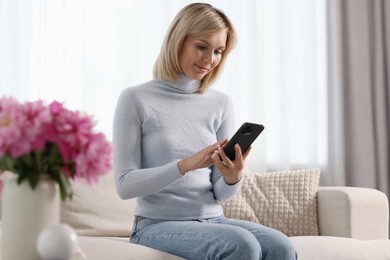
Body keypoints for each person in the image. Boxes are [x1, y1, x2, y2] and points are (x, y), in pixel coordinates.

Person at [113, 3, 297, 260]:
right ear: (178, 40)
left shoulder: (220, 103)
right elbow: (124, 185)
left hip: (213, 219)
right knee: (242, 244)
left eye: (218, 51)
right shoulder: (135, 99)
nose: (210, 60)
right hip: (155, 224)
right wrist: (185, 165)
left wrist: (233, 177)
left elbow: (220, 194)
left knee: (282, 246)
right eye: (201, 47)